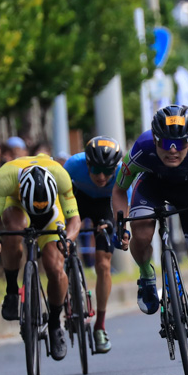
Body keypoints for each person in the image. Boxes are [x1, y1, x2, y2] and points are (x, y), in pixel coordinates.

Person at [110, 105, 188, 372]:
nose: (172, 149)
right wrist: (121, 224)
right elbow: (119, 189)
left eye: (179, 143)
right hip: (151, 186)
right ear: (155, 140)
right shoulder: (141, 148)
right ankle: (146, 274)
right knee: (141, 229)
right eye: (165, 142)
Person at [0, 153, 80, 362]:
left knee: (55, 268)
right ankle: (11, 290)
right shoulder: (5, 177)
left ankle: (55, 324)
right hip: (17, 205)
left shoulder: (60, 176)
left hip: (51, 210)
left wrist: (68, 241)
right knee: (13, 229)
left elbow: (74, 220)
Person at [63, 136, 123, 354]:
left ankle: (100, 325)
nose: (101, 176)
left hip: (105, 206)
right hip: (77, 201)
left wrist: (118, 227)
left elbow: (123, 204)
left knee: (104, 265)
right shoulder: (72, 165)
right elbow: (61, 199)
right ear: (87, 163)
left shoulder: (121, 172)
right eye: (96, 170)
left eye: (107, 171)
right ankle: (64, 290)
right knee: (62, 246)